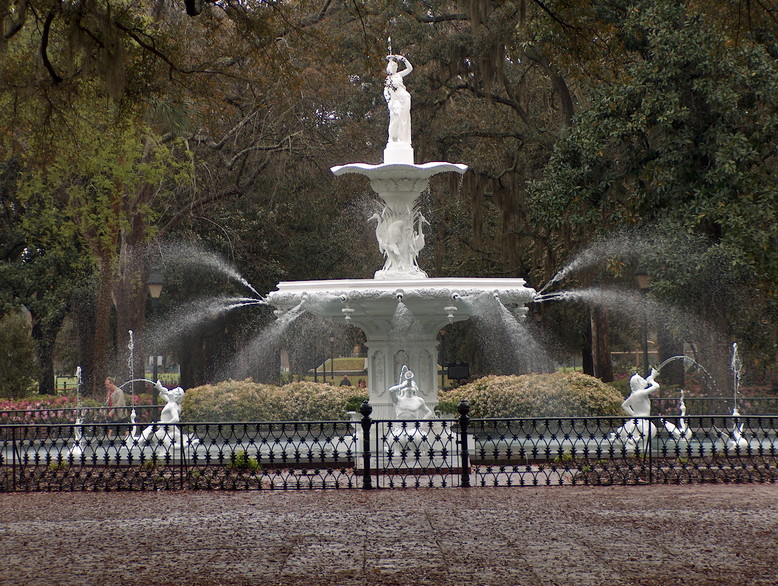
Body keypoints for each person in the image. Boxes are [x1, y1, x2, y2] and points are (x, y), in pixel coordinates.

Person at [384, 54, 413, 145]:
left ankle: (402, 139)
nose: (394, 68)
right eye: (392, 67)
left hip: (405, 98)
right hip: (395, 100)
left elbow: (410, 68)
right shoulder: (388, 79)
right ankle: (392, 138)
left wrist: (402, 59)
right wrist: (389, 101)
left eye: (395, 66)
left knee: (403, 119)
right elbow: (386, 91)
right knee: (395, 118)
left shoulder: (399, 75)